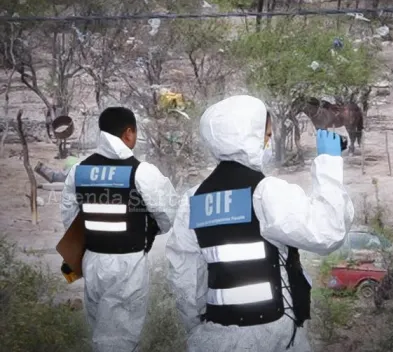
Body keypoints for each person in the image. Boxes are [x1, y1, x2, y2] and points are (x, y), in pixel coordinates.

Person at [166, 95, 354, 352]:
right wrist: (329, 163)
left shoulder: (192, 201)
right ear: (252, 137)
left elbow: (185, 278)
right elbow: (328, 233)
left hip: (214, 338)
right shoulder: (266, 193)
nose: (269, 138)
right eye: (267, 132)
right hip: (272, 335)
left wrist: (199, 330)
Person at [60, 107, 178, 352]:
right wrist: (148, 232)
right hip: (128, 263)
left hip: (92, 260)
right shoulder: (142, 171)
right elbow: (168, 216)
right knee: (120, 337)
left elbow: (69, 219)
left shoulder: (78, 171)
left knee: (99, 328)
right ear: (128, 133)